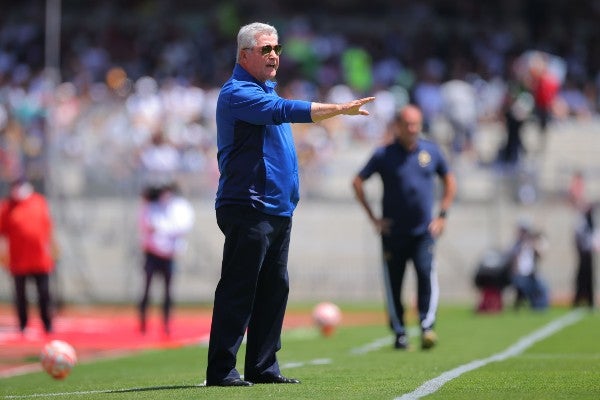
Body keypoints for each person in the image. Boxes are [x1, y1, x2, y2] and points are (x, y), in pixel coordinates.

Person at [205, 22, 374, 387]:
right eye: (266, 49)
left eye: (277, 49)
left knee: (273, 288)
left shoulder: (264, 89)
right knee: (240, 288)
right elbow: (286, 111)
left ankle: (263, 367)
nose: (274, 55)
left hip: (276, 206)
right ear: (244, 54)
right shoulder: (238, 92)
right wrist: (339, 109)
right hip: (248, 204)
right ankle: (221, 370)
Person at [352, 104, 457, 351]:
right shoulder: (384, 154)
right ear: (398, 126)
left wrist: (442, 216)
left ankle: (427, 326)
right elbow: (357, 182)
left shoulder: (431, 152)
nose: (412, 129)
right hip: (393, 233)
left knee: (425, 276)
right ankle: (399, 333)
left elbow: (450, 182)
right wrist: (373, 218)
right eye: (407, 124)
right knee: (394, 284)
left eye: (416, 124)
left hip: (423, 232)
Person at [0, 177, 57, 335]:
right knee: (20, 296)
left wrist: (53, 248)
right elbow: (2, 232)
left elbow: (48, 227)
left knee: (44, 294)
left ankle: (47, 324)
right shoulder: (7, 207)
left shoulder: (39, 202)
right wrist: (3, 254)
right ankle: (23, 324)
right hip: (18, 260)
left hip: (40, 259)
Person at [138, 181, 194, 336]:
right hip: (151, 253)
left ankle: (166, 323)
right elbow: (147, 224)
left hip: (169, 255)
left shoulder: (179, 207)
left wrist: (162, 229)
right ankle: (143, 322)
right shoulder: (151, 206)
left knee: (168, 291)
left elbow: (182, 226)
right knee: (147, 289)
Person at [508, 219, 549, 311]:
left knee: (543, 287)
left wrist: (535, 243)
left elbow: (541, 255)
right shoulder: (516, 245)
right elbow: (513, 259)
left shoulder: (532, 245)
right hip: (520, 276)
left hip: (531, 275)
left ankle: (539, 306)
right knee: (527, 288)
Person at [573, 204, 597, 308]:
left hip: (589, 253)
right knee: (581, 277)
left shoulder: (592, 224)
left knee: (589, 278)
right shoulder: (582, 223)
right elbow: (578, 235)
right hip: (583, 253)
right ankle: (578, 300)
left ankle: (590, 301)